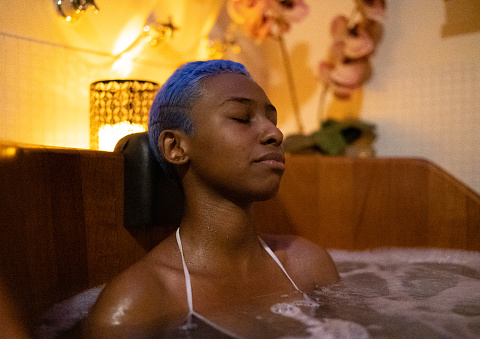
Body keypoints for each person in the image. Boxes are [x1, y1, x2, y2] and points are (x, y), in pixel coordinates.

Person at [83, 60, 340, 338]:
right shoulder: (138, 303)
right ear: (176, 147)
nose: (275, 133)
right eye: (241, 117)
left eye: (272, 120)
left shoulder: (309, 266)